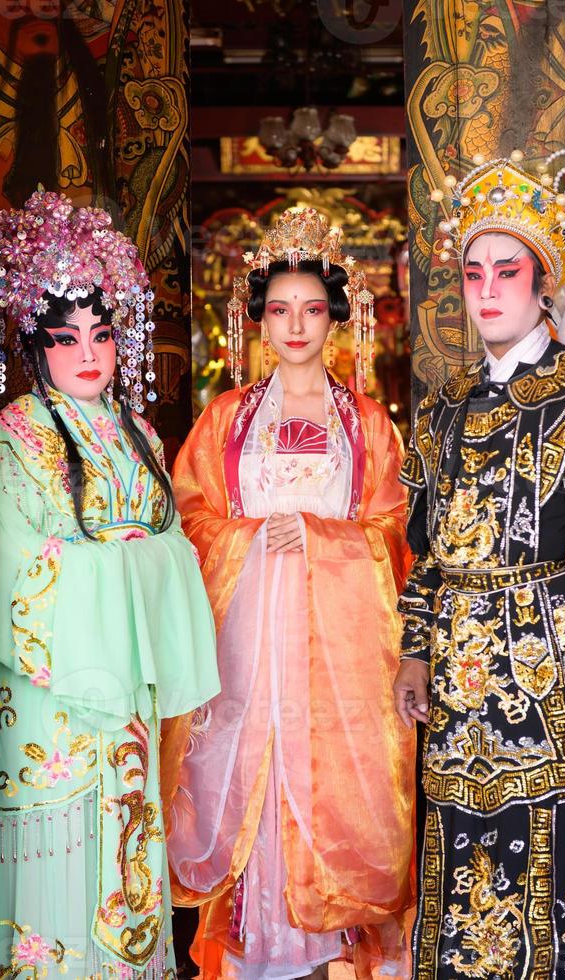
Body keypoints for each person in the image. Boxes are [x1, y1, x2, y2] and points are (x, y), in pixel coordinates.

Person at [165, 208, 415, 980]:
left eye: (312, 308)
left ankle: (327, 957)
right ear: (258, 322)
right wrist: (243, 539)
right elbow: (189, 519)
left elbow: (394, 534)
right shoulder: (223, 422)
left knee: (329, 786)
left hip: (333, 660)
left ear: (336, 317)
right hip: (245, 646)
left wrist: (316, 534)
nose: (296, 325)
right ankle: (250, 959)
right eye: (280, 309)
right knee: (248, 782)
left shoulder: (371, 427)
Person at [0, 189, 220, 978]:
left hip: (131, 699)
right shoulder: (13, 438)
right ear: (34, 345)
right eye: (65, 337)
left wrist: (137, 561)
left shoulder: (141, 434)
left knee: (132, 847)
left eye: (101, 333)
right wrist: (135, 564)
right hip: (58, 702)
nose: (87, 352)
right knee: (65, 870)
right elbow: (19, 569)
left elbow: (176, 547)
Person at [394, 148, 565, 978]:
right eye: (473, 272)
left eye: (505, 272)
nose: (485, 290)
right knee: (460, 854)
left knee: (554, 857)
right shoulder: (443, 410)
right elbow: (425, 547)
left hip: (555, 681)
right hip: (457, 690)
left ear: (542, 282)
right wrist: (415, 649)